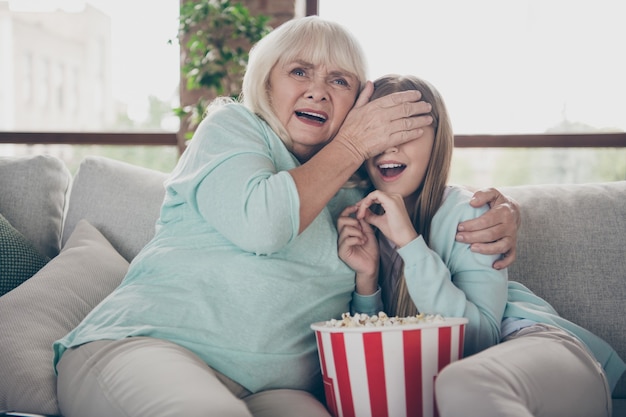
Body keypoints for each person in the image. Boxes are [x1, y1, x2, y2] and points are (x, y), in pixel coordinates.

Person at [53, 18, 520, 417]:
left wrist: (503, 211)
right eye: (300, 71)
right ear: (266, 83)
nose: (317, 90)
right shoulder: (233, 129)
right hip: (147, 347)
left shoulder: (361, 186)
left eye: (339, 81)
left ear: (357, 105)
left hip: (277, 393)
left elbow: (425, 194)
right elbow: (266, 224)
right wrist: (352, 144)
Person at [337, 74, 625, 417]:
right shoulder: (365, 220)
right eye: (379, 133)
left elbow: (479, 338)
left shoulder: (468, 211)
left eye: (407, 132)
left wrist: (410, 244)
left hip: (538, 350)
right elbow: (370, 357)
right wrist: (367, 281)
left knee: (462, 381)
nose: (390, 146)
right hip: (476, 391)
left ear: (436, 142)